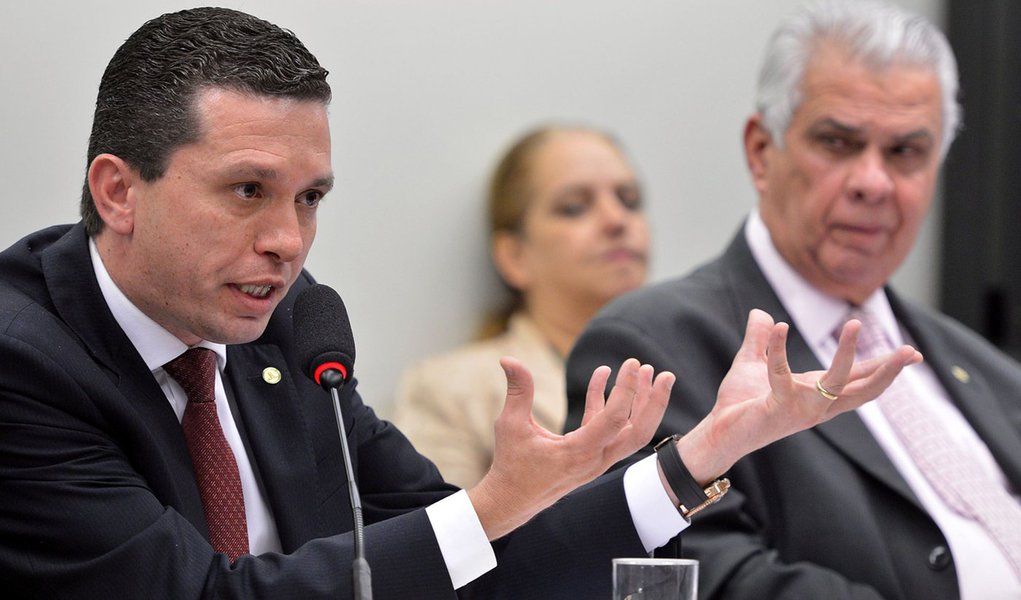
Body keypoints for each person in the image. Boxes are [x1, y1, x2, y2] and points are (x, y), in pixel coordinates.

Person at [0, 7, 919, 599]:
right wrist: (488, 507)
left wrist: (702, 454)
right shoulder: (23, 361)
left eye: (310, 198)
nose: (287, 239)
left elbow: (468, 562)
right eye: (248, 191)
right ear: (119, 192)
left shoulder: (285, 326)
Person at [564, 1, 1021, 599]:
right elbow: (696, 575)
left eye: (905, 152)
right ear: (761, 151)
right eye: (838, 142)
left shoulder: (991, 371)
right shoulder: (655, 347)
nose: (873, 183)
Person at [394, 125, 649, 488]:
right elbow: (437, 539)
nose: (617, 221)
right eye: (575, 207)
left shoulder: (700, 364)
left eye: (630, 200)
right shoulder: (451, 391)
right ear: (514, 256)